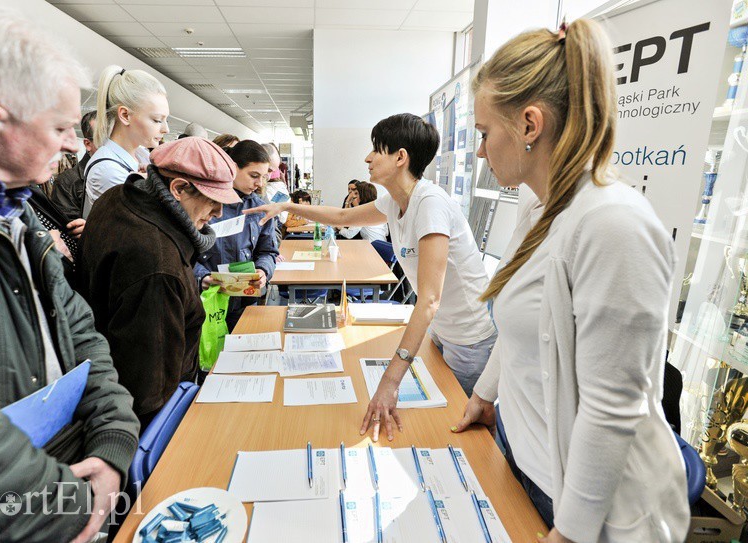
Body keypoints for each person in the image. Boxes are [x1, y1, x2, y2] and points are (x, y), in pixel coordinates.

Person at [451, 20, 689, 542]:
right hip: (524, 459)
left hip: (583, 510)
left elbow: (612, 407)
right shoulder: (539, 208)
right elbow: (521, 322)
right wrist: (486, 395)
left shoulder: (612, 223)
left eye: (486, 133)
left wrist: (571, 533)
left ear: (530, 124)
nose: (482, 152)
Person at [0, 5, 140, 542]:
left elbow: (83, 337)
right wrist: (71, 505)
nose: (74, 144)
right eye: (59, 126)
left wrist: (112, 444)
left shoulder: (20, 215)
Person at [246, 113, 498, 436]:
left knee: (463, 432)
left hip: (470, 340)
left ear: (400, 158)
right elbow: (340, 216)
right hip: (441, 332)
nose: (368, 158)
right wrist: (286, 208)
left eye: (376, 150)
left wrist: (390, 381)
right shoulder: (394, 202)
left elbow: (430, 300)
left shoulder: (430, 204)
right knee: (436, 423)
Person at [78, 137, 240, 431]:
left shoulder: (118, 198)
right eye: (212, 200)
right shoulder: (158, 266)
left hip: (102, 393)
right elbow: (149, 390)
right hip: (147, 423)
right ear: (178, 188)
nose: (218, 212)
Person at [194, 140, 279, 331]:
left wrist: (263, 271)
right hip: (206, 301)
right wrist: (202, 276)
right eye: (254, 175)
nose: (259, 184)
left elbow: (268, 251)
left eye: (264, 177)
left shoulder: (258, 207)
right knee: (207, 357)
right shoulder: (203, 203)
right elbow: (182, 255)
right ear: (232, 168)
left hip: (244, 302)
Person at [82, 65, 169, 217]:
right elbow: (152, 225)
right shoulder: (107, 170)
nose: (166, 129)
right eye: (157, 120)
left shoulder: (142, 155)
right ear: (125, 115)